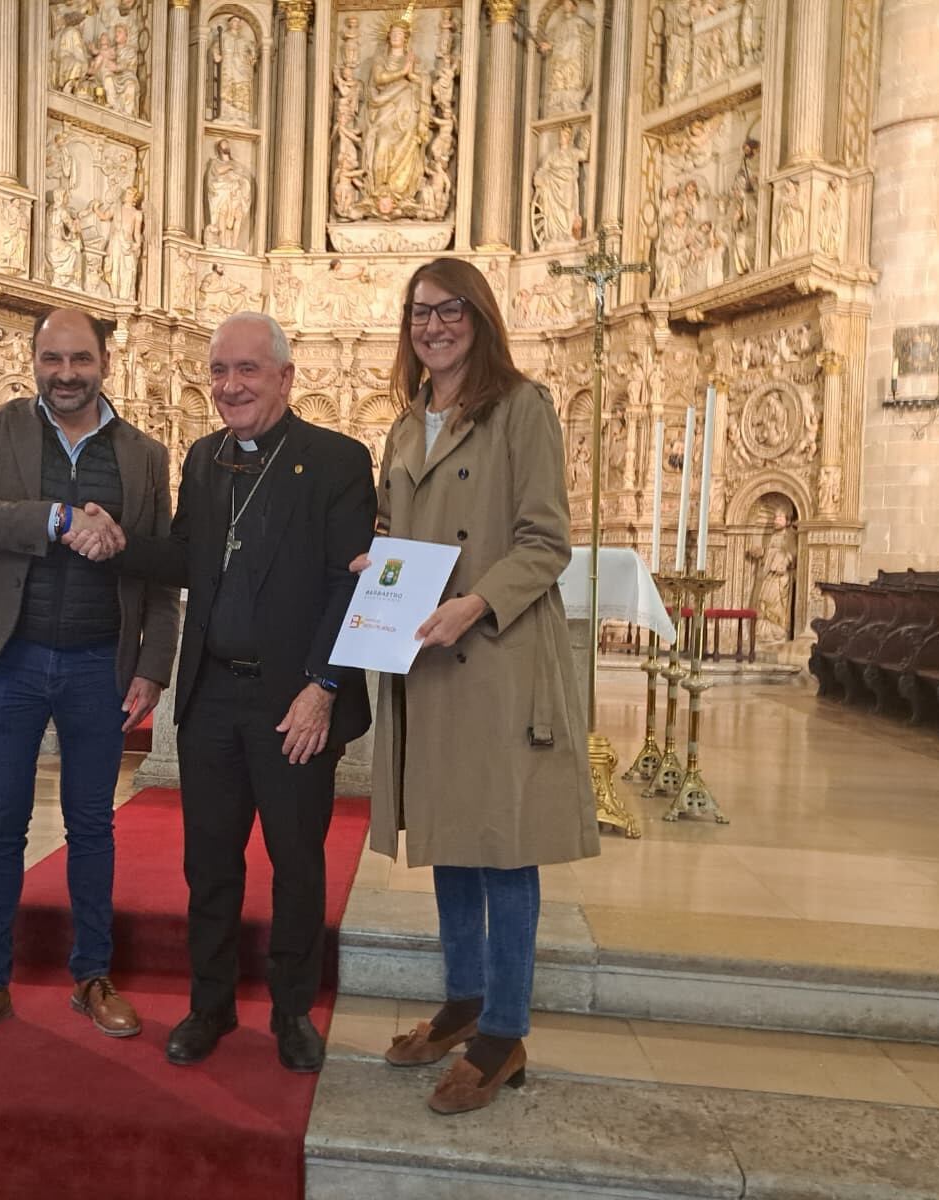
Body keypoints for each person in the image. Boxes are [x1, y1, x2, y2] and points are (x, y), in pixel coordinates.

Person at [67, 312, 376, 1074]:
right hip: (211, 702)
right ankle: (210, 1007)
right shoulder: (205, 459)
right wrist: (118, 543)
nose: (230, 386)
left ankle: (294, 1011)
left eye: (247, 371)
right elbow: (187, 559)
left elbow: (350, 582)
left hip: (293, 703)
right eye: (219, 373)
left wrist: (323, 687)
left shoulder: (336, 459)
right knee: (209, 865)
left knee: (297, 863)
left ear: (284, 377)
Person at [359, 258, 597, 1115]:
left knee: (503, 845)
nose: (435, 324)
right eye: (421, 312)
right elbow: (400, 531)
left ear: (481, 317)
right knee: (452, 838)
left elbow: (546, 542)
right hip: (428, 658)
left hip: (493, 656)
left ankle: (503, 1033)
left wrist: (472, 605)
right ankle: (461, 1003)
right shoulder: (403, 427)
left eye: (452, 309)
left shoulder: (520, 409)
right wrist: (379, 563)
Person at [0, 309, 179, 1056]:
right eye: (51, 358)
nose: (65, 373)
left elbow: (160, 574)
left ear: (106, 359)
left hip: (97, 665)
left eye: (79, 359)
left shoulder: (142, 453)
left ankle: (92, 975)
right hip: (9, 659)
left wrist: (152, 666)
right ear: (33, 359)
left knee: (93, 827)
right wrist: (60, 518)